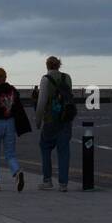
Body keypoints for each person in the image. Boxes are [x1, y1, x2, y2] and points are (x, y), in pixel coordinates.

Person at [0, 68, 29, 191]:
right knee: (10, 153)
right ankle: (17, 171)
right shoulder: (12, 90)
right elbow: (18, 108)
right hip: (10, 123)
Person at [36, 56, 76, 191]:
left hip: (50, 120)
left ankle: (47, 180)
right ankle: (63, 184)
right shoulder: (67, 78)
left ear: (47, 65)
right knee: (64, 151)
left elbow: (41, 103)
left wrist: (38, 121)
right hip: (66, 118)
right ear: (59, 65)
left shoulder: (46, 79)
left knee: (45, 147)